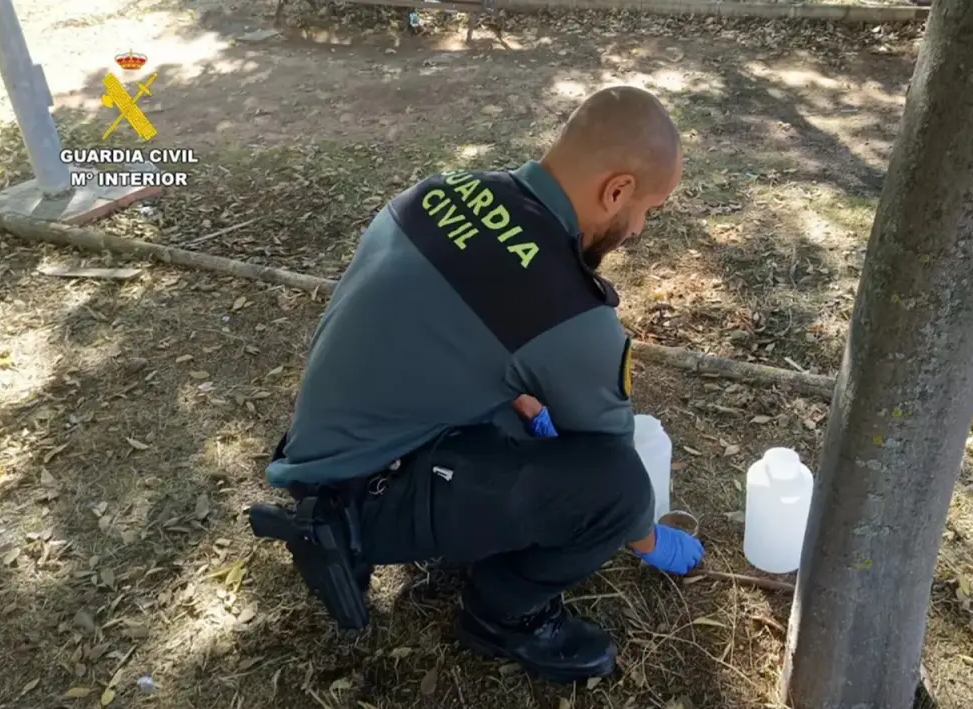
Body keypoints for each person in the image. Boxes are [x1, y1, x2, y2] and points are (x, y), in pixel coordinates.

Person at [251, 85, 704, 683]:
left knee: (526, 419)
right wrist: (646, 539)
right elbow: (607, 457)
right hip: (368, 491)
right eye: (648, 209)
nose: (639, 229)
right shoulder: (568, 307)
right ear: (616, 190)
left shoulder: (438, 191)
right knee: (617, 489)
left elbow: (443, 336)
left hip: (325, 446)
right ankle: (503, 615)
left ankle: (391, 516)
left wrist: (524, 401)